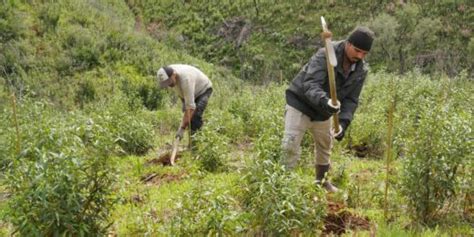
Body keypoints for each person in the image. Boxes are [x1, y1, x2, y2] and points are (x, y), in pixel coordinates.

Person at [282, 26, 375, 192]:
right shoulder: (325, 54)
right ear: (348, 43)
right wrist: (325, 101)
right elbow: (310, 84)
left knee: (325, 146)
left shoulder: (361, 70)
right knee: (290, 145)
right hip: (300, 104)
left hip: (325, 112)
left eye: (364, 54)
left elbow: (351, 100)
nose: (360, 56)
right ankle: (283, 184)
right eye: (357, 50)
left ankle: (322, 182)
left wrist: (343, 124)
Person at [157, 64, 213, 140]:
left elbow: (190, 108)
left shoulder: (186, 79)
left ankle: (195, 146)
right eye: (166, 83)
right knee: (187, 115)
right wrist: (186, 116)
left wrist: (182, 128)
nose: (169, 85)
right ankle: (192, 141)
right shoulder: (167, 73)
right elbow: (181, 92)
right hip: (189, 91)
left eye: (169, 82)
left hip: (203, 90)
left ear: (174, 74)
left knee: (194, 116)